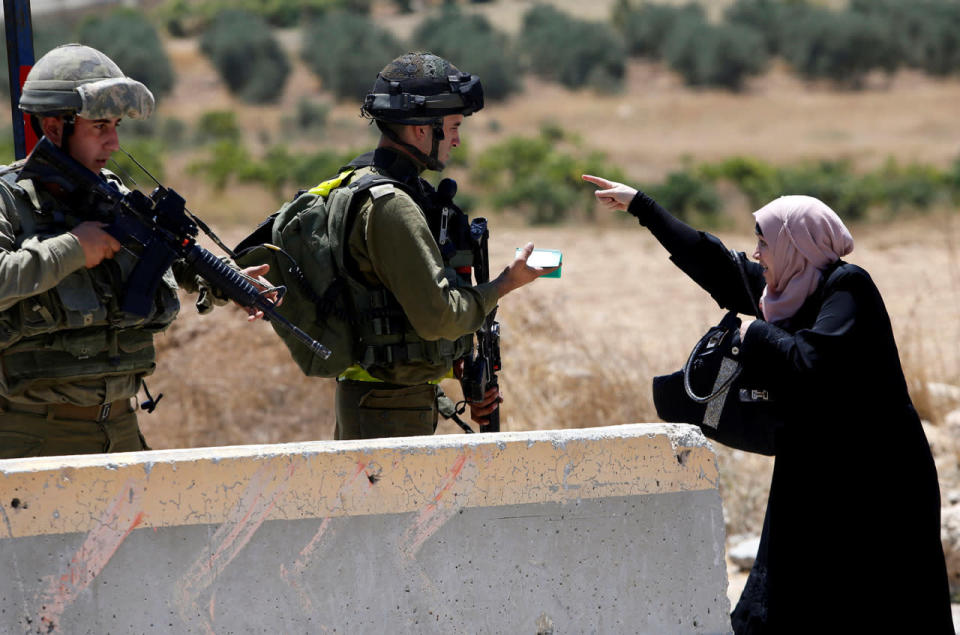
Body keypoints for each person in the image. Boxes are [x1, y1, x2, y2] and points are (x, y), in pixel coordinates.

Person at [582, 174, 953, 633]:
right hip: (816, 474)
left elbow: (811, 362)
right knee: (786, 601)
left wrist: (754, 333)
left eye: (764, 241)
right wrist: (643, 207)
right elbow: (716, 263)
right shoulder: (785, 291)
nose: (757, 253)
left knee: (887, 603)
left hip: (877, 481)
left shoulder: (847, 289)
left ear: (795, 243)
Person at [0, 44, 269, 459]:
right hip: (31, 434)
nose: (113, 141)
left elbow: (168, 258)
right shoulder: (8, 199)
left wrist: (223, 282)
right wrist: (73, 248)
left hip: (120, 427)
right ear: (54, 128)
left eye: (117, 125)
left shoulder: (112, 192)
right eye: (99, 126)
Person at [327, 52, 552, 440]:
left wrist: (460, 376)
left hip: (392, 402)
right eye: (452, 127)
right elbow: (439, 319)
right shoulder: (391, 205)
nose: (457, 141)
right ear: (419, 130)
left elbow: (397, 314)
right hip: (387, 411)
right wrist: (504, 284)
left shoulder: (373, 183)